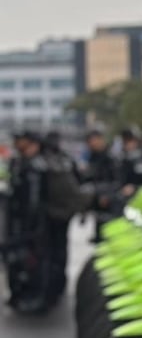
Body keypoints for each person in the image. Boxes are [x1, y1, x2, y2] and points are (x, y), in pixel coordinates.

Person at [5, 131, 86, 311]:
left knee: (42, 261)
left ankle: (41, 297)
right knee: (28, 261)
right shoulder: (23, 163)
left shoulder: (42, 165)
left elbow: (35, 200)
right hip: (29, 224)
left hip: (40, 224)